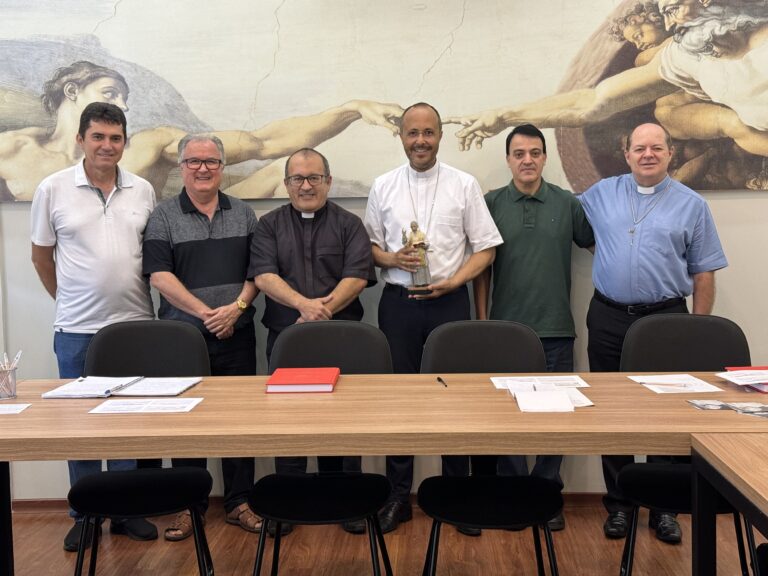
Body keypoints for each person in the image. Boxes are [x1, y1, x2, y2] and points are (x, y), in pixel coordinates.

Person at [578, 122, 727, 544]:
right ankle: (620, 505)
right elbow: (573, 226)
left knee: (665, 412)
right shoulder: (600, 193)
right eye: (639, 148)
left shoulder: (692, 205)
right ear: (626, 153)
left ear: (670, 153)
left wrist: (697, 330)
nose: (648, 154)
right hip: (608, 316)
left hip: (666, 320)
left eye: (656, 148)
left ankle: (663, 509)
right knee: (611, 412)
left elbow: (704, 272)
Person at [364, 102, 503, 535]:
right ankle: (397, 497)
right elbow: (370, 249)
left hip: (449, 303)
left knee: (454, 398)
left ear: (440, 136)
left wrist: (454, 281)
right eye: (413, 133)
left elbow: (486, 248)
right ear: (401, 137)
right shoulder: (383, 185)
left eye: (428, 132)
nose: (420, 140)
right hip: (399, 305)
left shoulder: (464, 184)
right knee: (398, 400)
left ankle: (457, 494)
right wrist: (393, 258)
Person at [448, 1, 768, 187]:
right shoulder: (685, 59)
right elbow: (592, 101)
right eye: (666, 16)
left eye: (674, 9)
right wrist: (505, 116)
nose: (671, 24)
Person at [30, 102, 158, 551]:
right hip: (76, 330)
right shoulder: (52, 188)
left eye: (115, 137)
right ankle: (85, 515)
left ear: (125, 142)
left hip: (134, 326)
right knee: (78, 425)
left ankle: (124, 511)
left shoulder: (143, 189)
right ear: (81, 139)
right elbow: (41, 257)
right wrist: (68, 300)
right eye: (98, 136)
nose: (107, 145)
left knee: (127, 423)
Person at [0, 60, 404, 200]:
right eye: (110, 94)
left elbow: (262, 142)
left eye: (125, 98)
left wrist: (351, 109)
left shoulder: (148, 146)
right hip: (56, 293)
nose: (122, 105)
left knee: (274, 171)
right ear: (72, 91)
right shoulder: (12, 148)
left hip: (149, 281)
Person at [473, 124, 595, 532]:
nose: (527, 160)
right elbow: (482, 267)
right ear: (509, 159)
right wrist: (483, 321)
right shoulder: (491, 203)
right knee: (507, 416)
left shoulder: (567, 203)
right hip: (506, 333)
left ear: (545, 157)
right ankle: (512, 493)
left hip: (556, 328)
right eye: (519, 153)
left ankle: (546, 494)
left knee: (555, 418)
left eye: (535, 153)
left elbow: (600, 246)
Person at [249, 147, 376, 535]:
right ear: (286, 183)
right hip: (286, 340)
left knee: (344, 425)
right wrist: (304, 305)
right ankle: (289, 503)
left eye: (314, 178)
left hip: (342, 340)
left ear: (328, 181)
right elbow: (263, 276)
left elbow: (357, 275)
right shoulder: (268, 225)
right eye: (297, 179)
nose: (306, 186)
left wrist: (320, 311)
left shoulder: (350, 224)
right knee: (287, 424)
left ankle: (347, 503)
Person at [142, 134, 260, 541]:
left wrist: (235, 310)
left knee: (239, 422)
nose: (203, 168)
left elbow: (258, 273)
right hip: (183, 340)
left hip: (237, 334)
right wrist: (207, 314)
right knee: (186, 422)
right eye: (194, 161)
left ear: (222, 167)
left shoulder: (244, 213)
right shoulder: (163, 216)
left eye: (211, 161)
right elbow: (159, 276)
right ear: (182, 167)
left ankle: (239, 502)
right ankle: (188, 508)